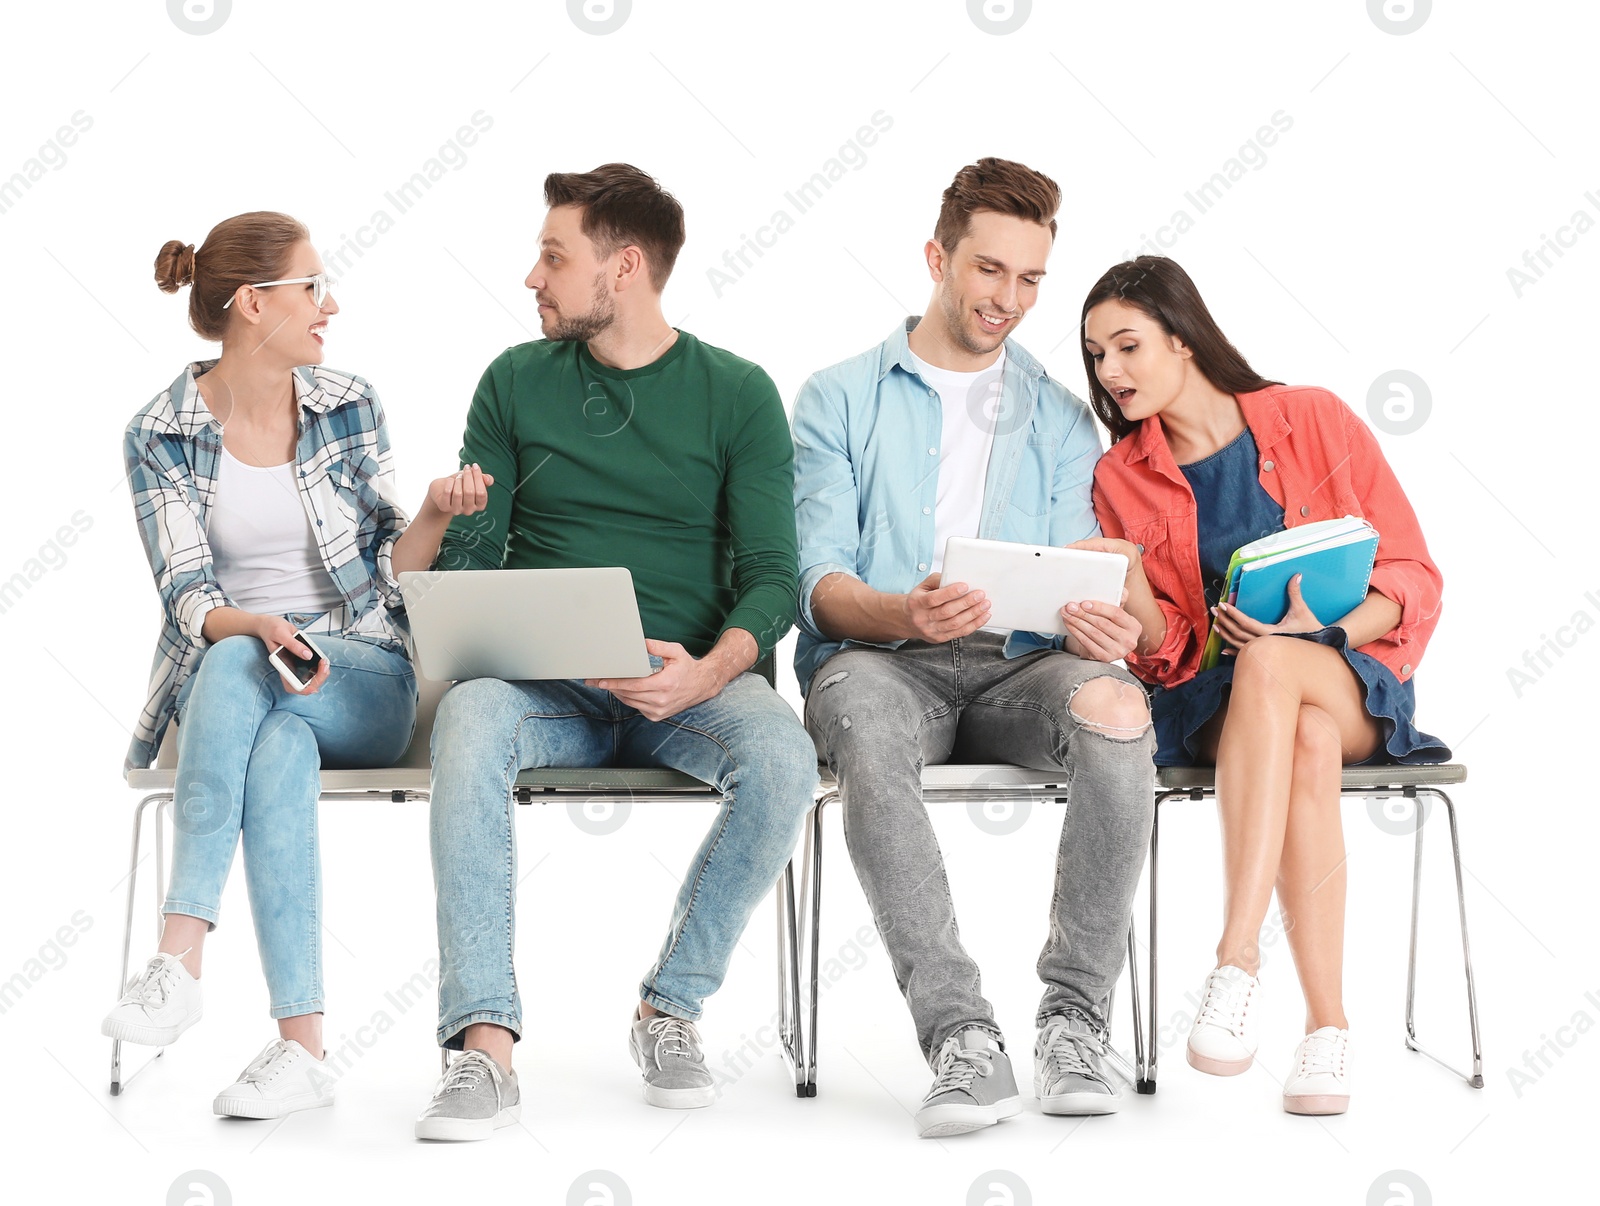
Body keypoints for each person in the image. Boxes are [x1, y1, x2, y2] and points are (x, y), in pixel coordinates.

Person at [412, 164, 817, 1142]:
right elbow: (470, 564)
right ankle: (483, 1046)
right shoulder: (515, 382)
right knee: (468, 720)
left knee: (784, 759)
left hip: (691, 689)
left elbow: (772, 575)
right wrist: (451, 534)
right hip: (546, 689)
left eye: (554, 256)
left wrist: (707, 670)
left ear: (623, 266)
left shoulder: (737, 394)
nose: (531, 278)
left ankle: (668, 1008)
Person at [791, 158, 1156, 1139]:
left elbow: (1078, 570)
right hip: (878, 663)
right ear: (936, 257)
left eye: (1031, 280)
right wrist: (901, 614)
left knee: (1119, 705)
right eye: (990, 270)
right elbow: (815, 585)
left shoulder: (1057, 415)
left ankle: (1075, 1019)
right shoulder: (837, 397)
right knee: (865, 719)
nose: (1008, 299)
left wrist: (1099, 624)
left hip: (1022, 666)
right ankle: (961, 1040)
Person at [107, 211, 491, 1119]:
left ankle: (178, 956)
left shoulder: (346, 402)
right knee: (260, 707)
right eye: (312, 286)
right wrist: (262, 627)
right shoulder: (156, 433)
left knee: (245, 667)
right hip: (245, 685)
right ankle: (303, 1050)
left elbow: (393, 573)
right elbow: (189, 598)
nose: (331, 303)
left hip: (360, 680)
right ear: (252, 302)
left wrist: (433, 512)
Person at [1079, 255, 1449, 1115]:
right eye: (1097, 356)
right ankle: (1328, 1029)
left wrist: (1316, 632)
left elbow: (1411, 571)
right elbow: (1169, 650)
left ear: (1183, 338)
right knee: (1302, 738)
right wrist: (1127, 582)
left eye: (1128, 347)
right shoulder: (1120, 476)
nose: (1111, 372)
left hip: (1344, 669)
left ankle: (1236, 957)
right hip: (1217, 699)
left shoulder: (1312, 417)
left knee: (1284, 669)